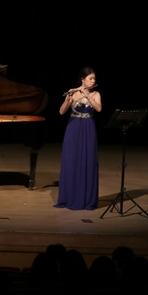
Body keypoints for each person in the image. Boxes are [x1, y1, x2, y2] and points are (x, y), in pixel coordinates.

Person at [54, 67, 102, 210]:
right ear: (82, 79)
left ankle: (86, 200)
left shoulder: (96, 94)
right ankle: (69, 197)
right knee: (71, 161)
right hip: (73, 129)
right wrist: (68, 98)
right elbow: (61, 112)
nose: (93, 81)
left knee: (88, 160)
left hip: (88, 129)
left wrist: (87, 96)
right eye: (90, 78)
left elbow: (99, 109)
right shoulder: (73, 93)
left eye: (94, 79)